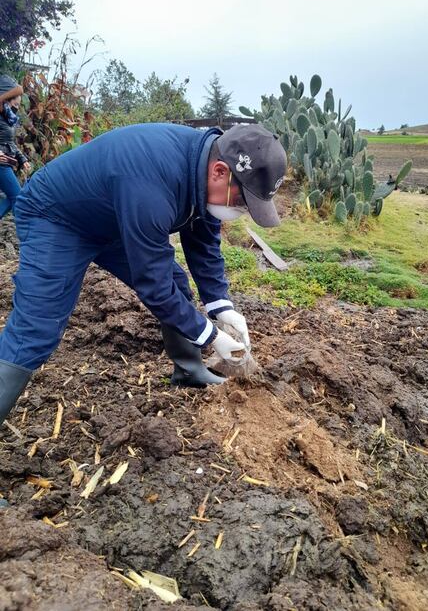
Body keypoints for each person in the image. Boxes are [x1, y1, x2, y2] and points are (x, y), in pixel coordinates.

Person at [0, 122, 287, 423]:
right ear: (219, 172)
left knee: (176, 282)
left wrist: (221, 306)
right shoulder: (151, 181)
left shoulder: (203, 168)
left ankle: (189, 371)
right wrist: (211, 336)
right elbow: (154, 285)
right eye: (242, 202)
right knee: (37, 328)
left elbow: (203, 244)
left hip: (113, 218)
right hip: (57, 217)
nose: (242, 212)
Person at [0, 75, 31, 218]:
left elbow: (10, 143)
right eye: (16, 104)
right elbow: (19, 89)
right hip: (1, 165)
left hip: (6, 163)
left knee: (15, 197)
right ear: (6, 100)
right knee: (18, 197)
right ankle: (25, 227)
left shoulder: (8, 119)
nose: (16, 108)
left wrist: (23, 159)